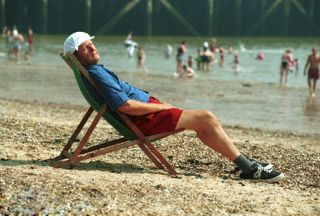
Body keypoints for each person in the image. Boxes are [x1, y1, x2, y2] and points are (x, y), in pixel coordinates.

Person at [63, 32, 285, 183]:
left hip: (145, 115)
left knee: (204, 122)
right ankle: (249, 168)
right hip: (144, 120)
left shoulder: (91, 71)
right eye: (86, 47)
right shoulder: (97, 73)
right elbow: (126, 106)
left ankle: (245, 164)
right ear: (76, 55)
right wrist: (161, 108)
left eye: (92, 44)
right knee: (206, 118)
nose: (93, 48)